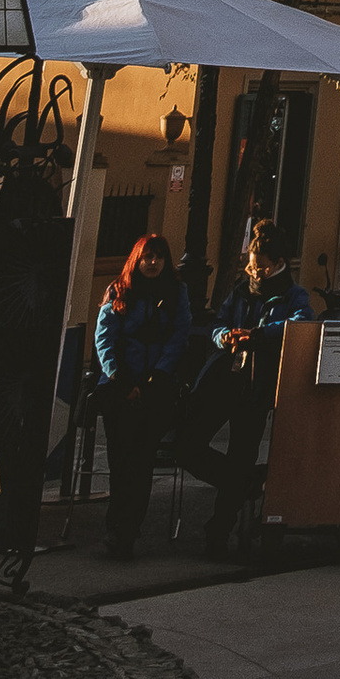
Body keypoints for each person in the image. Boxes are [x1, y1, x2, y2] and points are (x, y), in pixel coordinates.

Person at [184, 217, 316, 548]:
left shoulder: (294, 296)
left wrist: (257, 336)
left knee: (242, 450)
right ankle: (245, 483)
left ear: (278, 265)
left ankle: (220, 528)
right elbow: (219, 322)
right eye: (252, 268)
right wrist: (223, 336)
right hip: (224, 378)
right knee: (189, 445)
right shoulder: (242, 292)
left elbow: (301, 326)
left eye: (261, 268)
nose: (254, 274)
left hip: (258, 385)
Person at [90, 231, 196, 558]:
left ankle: (128, 531)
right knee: (121, 461)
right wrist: (121, 378)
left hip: (156, 388)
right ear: (137, 259)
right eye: (147, 257)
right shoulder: (118, 291)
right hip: (120, 386)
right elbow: (104, 339)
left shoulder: (177, 294)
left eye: (158, 257)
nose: (152, 263)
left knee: (141, 461)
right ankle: (115, 528)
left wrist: (158, 378)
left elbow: (180, 336)